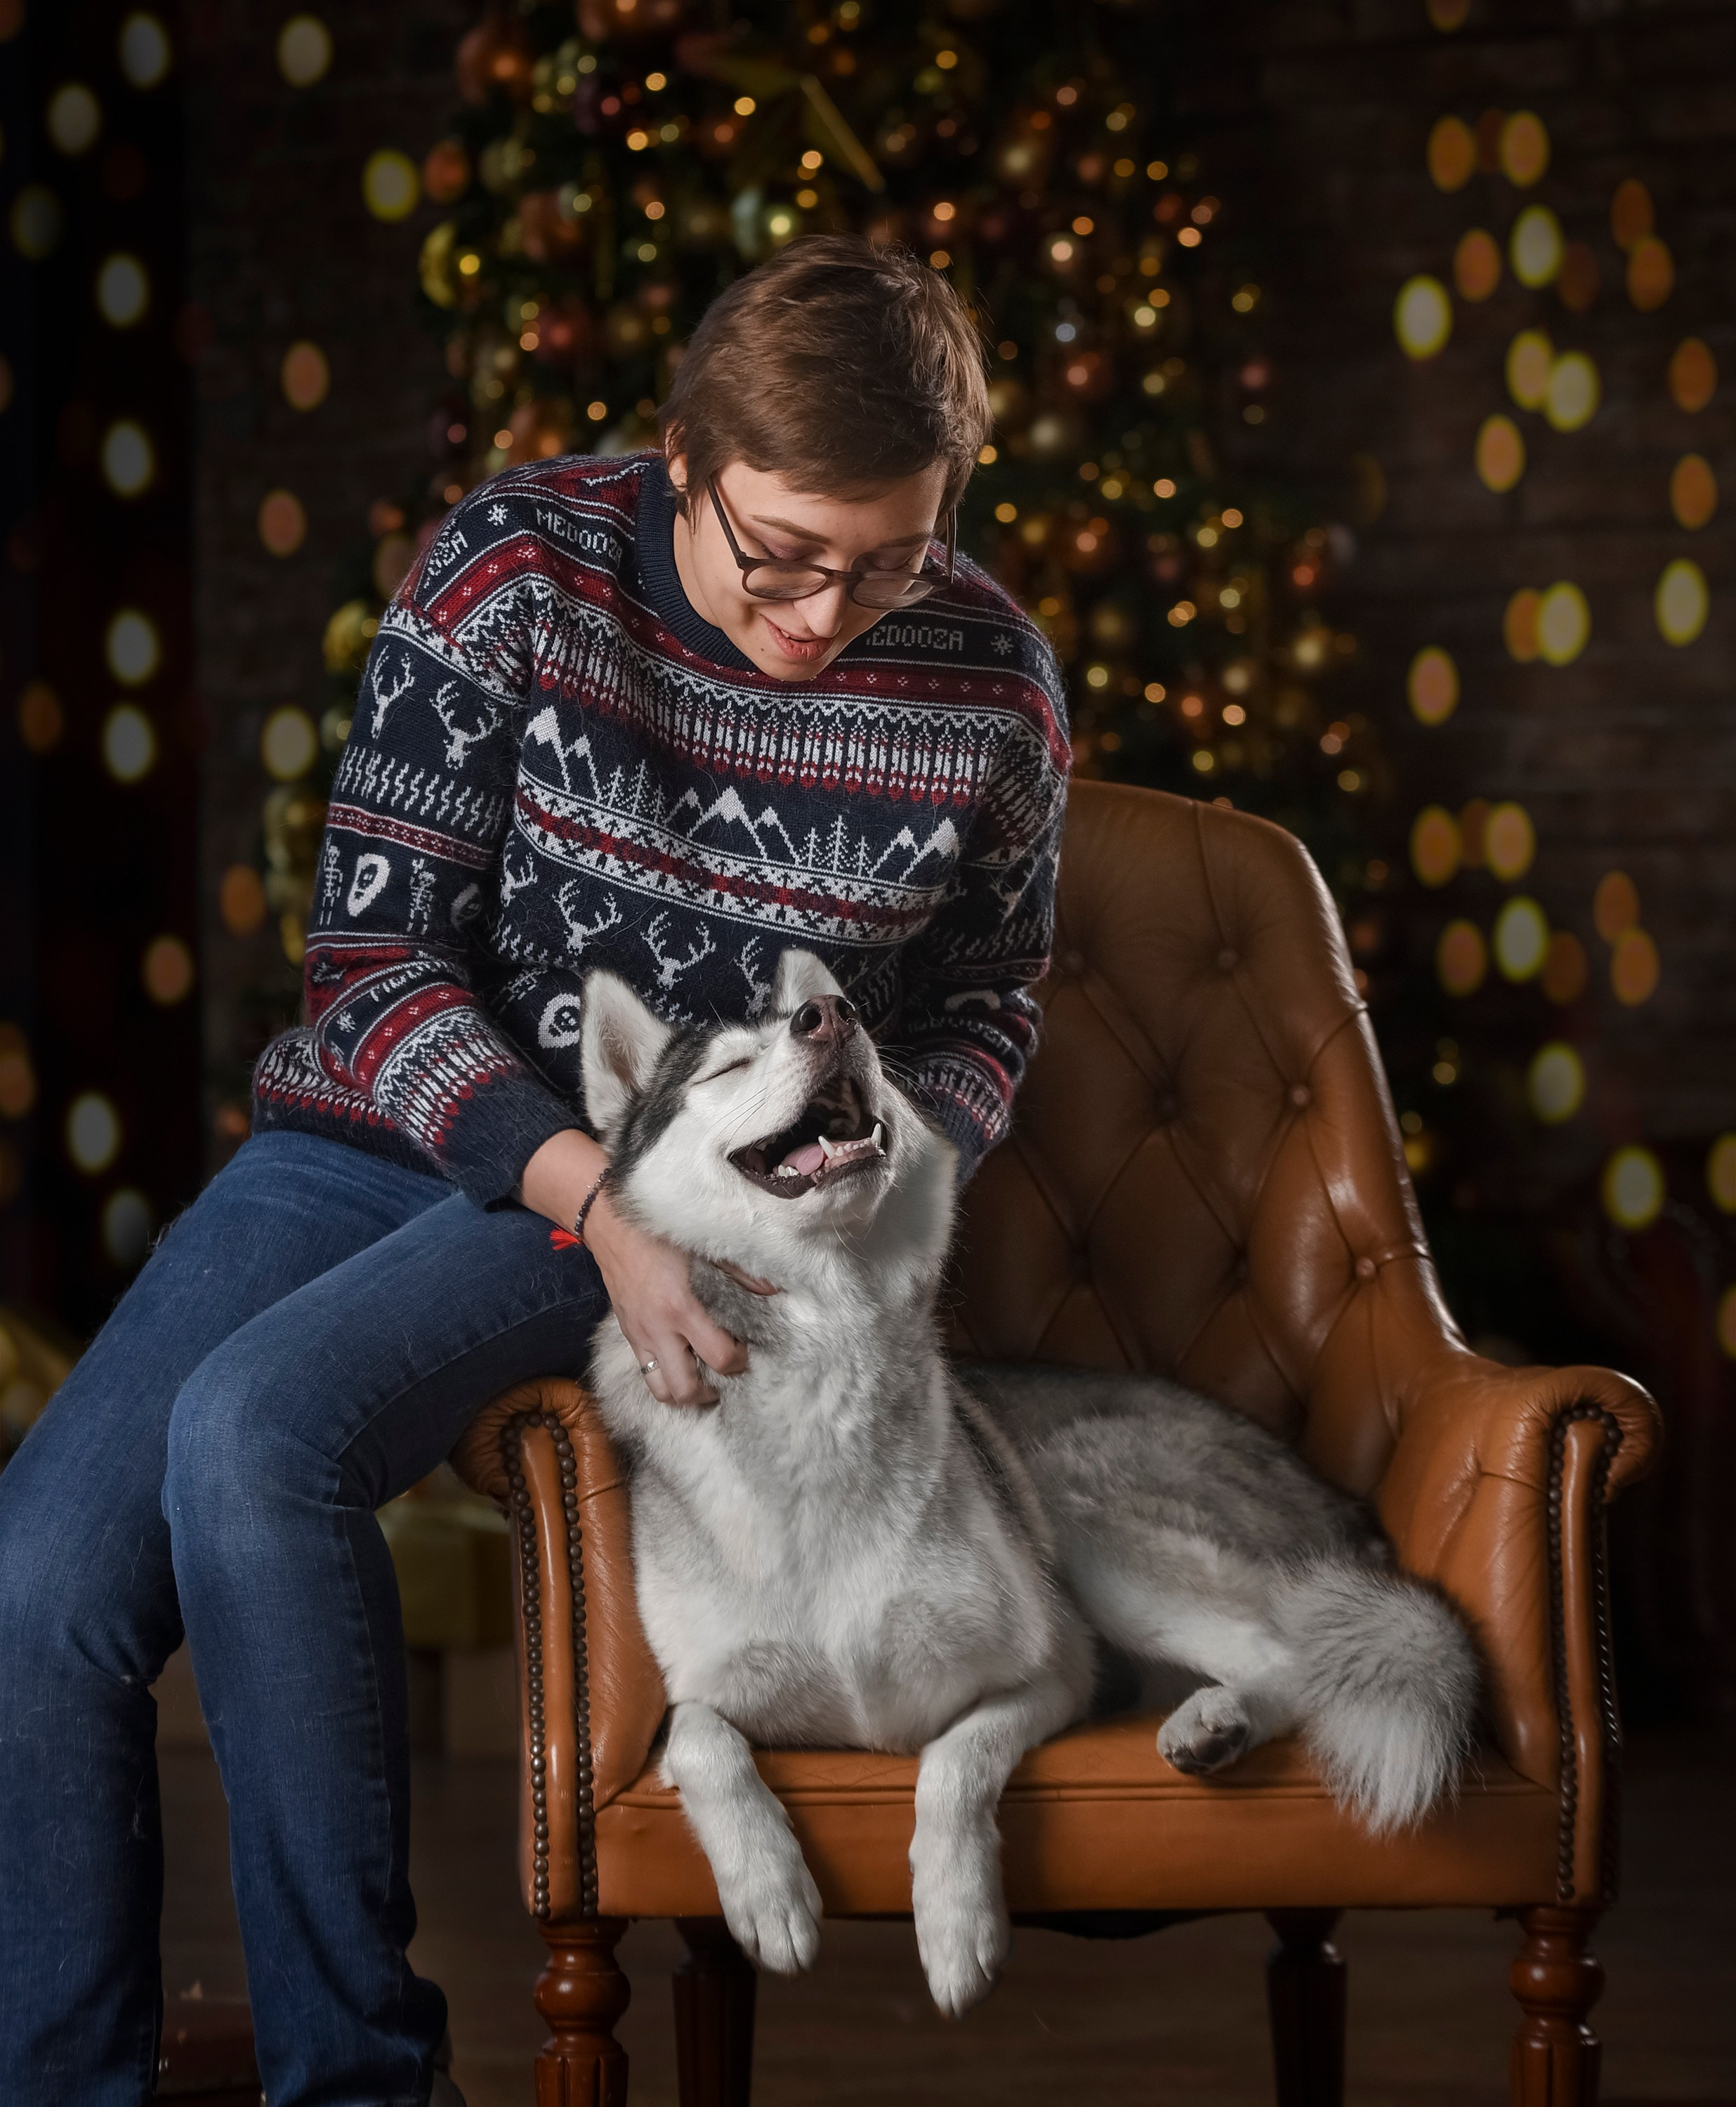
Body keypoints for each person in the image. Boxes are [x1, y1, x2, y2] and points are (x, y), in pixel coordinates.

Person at [0, 235, 1070, 2107]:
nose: (827, 613)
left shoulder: (992, 680)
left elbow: (991, 999)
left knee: (260, 1440)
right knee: (34, 1588)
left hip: (708, 1187)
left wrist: (890, 1177)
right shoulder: (514, 567)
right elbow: (374, 952)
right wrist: (577, 1190)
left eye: (884, 560)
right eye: (782, 557)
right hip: (396, 1132)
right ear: (682, 461)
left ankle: (360, 2084)